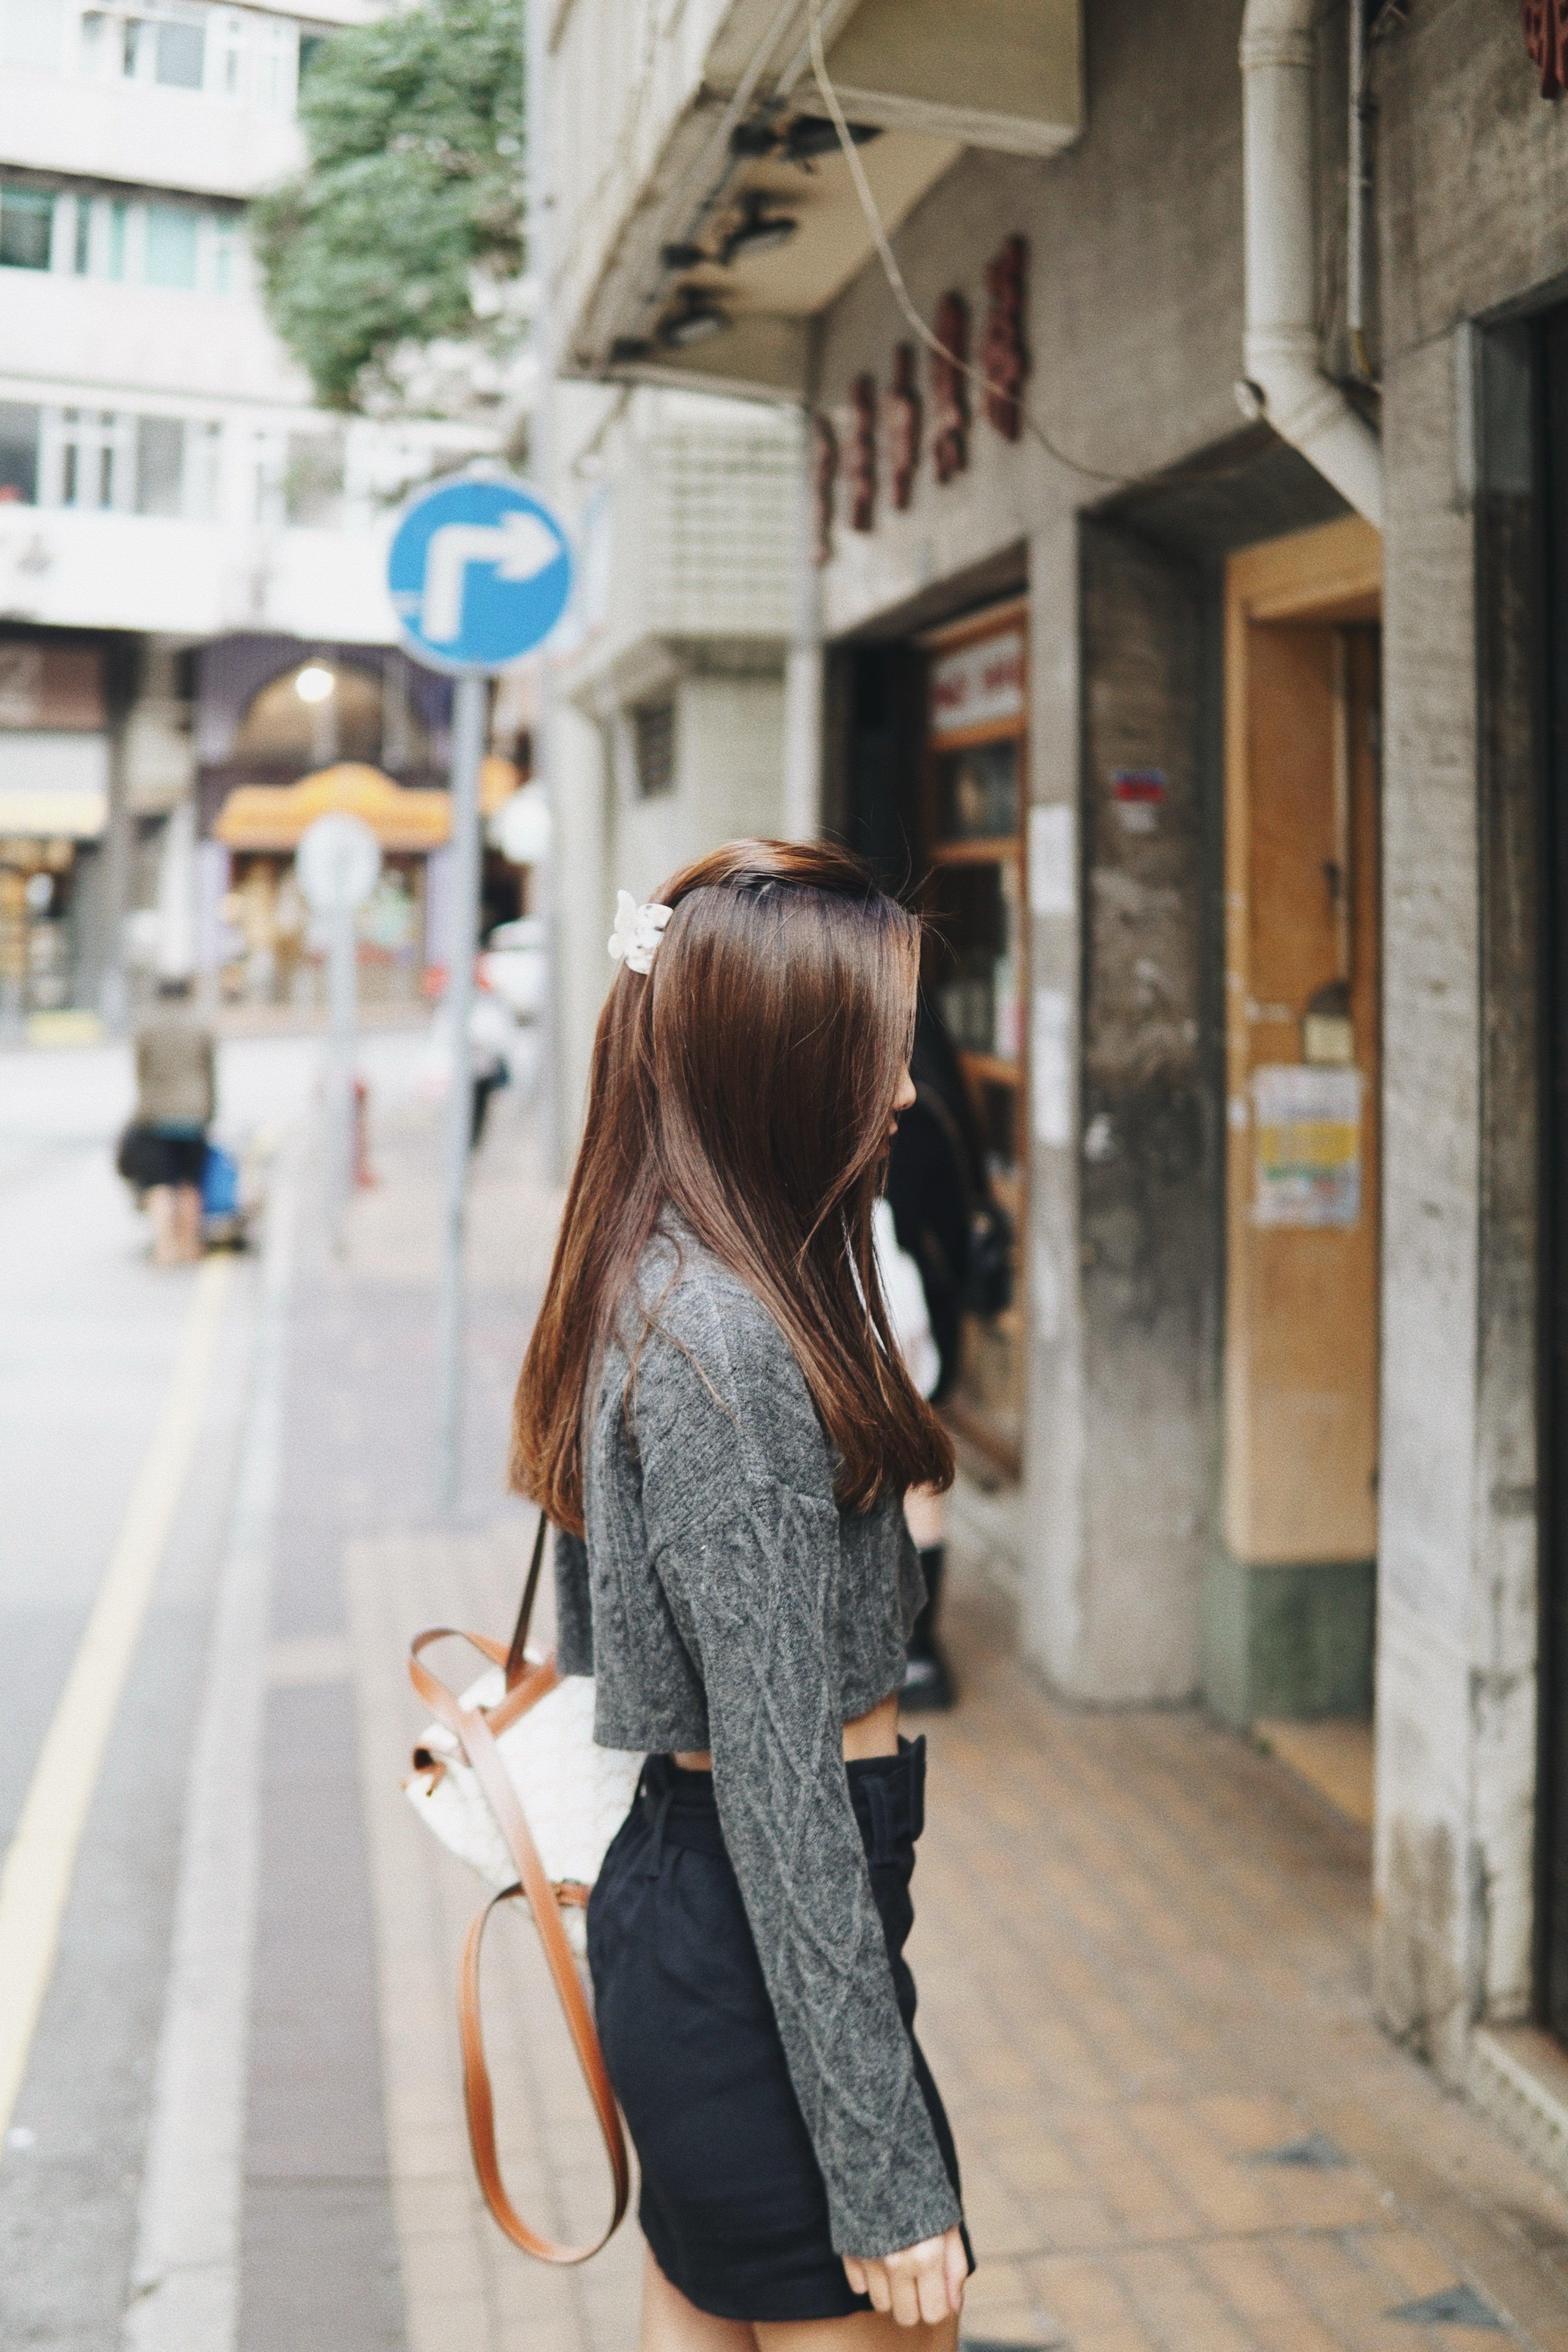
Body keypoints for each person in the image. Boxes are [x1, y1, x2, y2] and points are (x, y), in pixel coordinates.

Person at [512, 842, 973, 2350]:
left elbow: (614, 1638)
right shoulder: (727, 1343)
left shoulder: (660, 1276)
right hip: (761, 1945)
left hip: (701, 1931)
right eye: (877, 1054)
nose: (903, 1094)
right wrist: (887, 2175)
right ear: (785, 1067)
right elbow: (781, 1791)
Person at [131, 977, 216, 1267]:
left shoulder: (147, 1025)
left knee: (160, 1185)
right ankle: (188, 1245)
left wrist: (144, 1105)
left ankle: (165, 1250)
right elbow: (210, 1072)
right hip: (194, 1113)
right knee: (190, 1184)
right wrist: (211, 1110)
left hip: (156, 1114)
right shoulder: (201, 1024)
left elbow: (141, 1070)